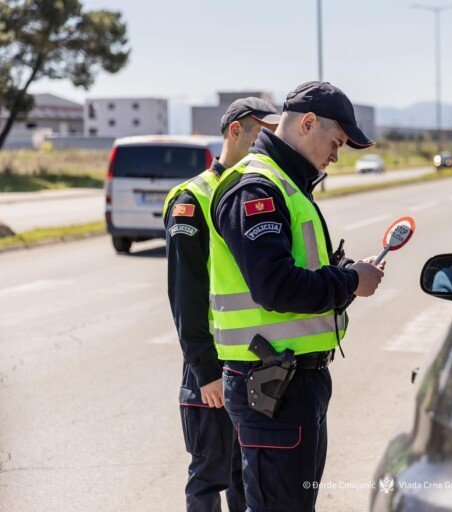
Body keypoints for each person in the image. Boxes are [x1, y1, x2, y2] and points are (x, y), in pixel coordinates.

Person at [208, 81, 385, 511]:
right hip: (273, 386)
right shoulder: (256, 189)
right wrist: (349, 282)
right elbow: (277, 286)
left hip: (291, 383)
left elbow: (297, 272)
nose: (336, 155)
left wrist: (344, 273)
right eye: (336, 142)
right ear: (307, 124)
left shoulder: (287, 184)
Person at [163, 97, 280, 512]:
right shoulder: (193, 198)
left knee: (248, 477)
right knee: (209, 474)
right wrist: (206, 371)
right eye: (262, 134)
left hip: (253, 362)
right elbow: (186, 295)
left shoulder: (263, 190)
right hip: (212, 366)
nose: (270, 143)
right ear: (235, 131)